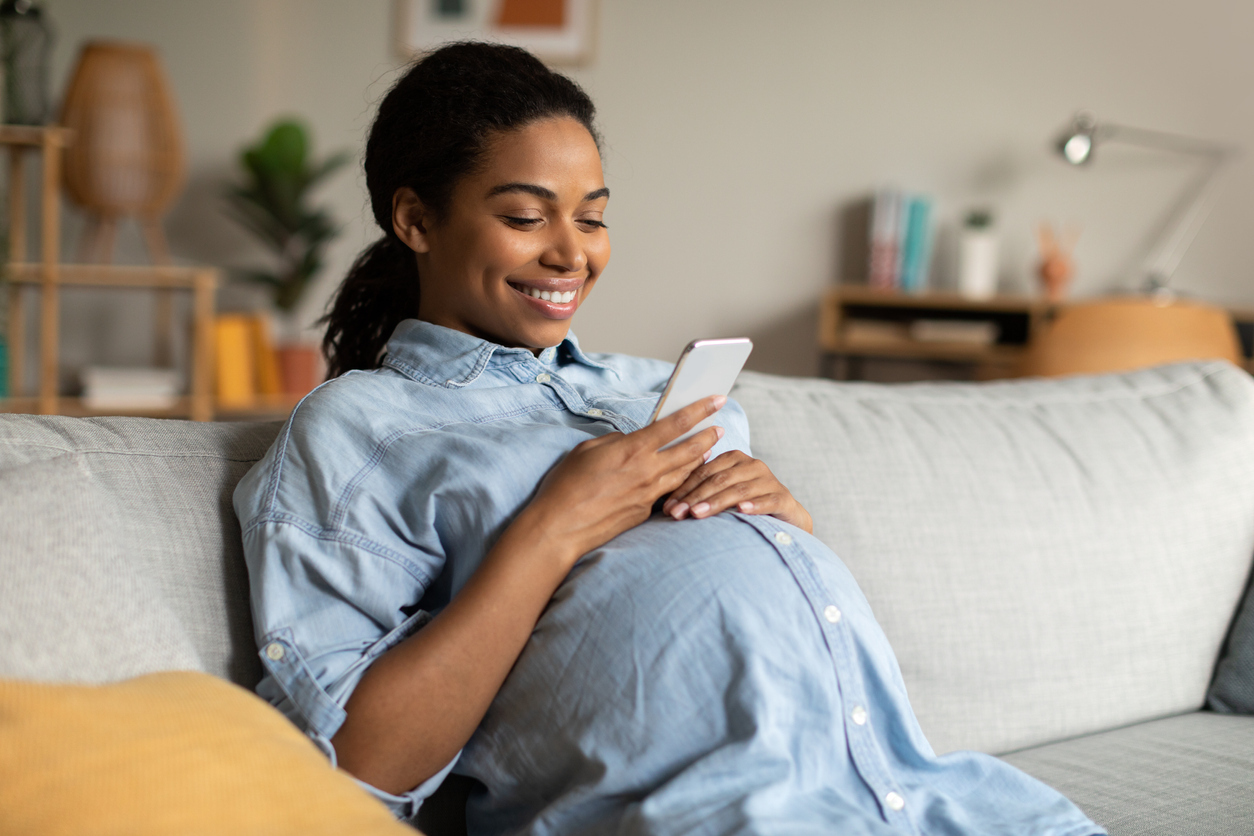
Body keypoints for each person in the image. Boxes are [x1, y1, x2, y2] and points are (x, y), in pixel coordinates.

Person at [234, 41, 1103, 836]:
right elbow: (353, 768)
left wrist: (784, 525)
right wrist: (551, 529)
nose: (571, 254)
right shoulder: (359, 430)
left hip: (930, 797)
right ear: (417, 220)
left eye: (592, 218)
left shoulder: (655, 389)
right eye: (527, 217)